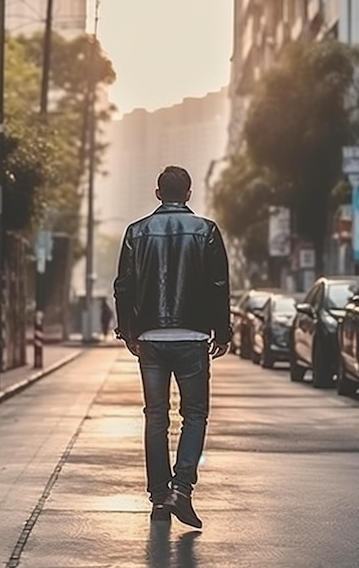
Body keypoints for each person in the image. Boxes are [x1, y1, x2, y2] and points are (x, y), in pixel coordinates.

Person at [113, 165, 231, 529]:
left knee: (156, 416)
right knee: (194, 416)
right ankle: (181, 488)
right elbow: (218, 285)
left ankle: (159, 496)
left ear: (158, 193)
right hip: (194, 337)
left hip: (149, 338)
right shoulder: (207, 230)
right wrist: (222, 332)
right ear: (189, 194)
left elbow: (123, 286)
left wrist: (128, 331)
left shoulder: (136, 231)